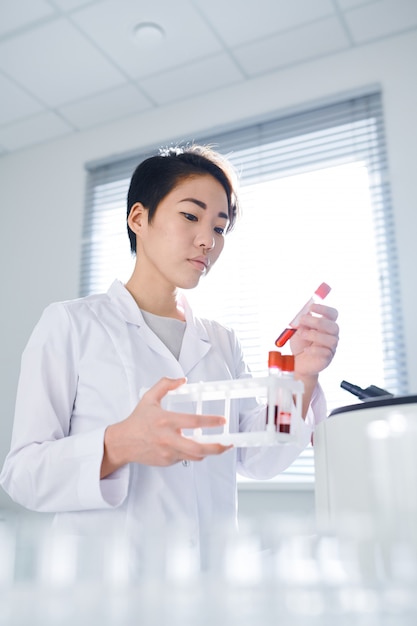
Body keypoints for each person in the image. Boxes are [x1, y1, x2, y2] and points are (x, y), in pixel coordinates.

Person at [0, 144, 339, 556]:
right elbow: (23, 476)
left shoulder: (221, 341)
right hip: (107, 588)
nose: (207, 241)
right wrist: (120, 443)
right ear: (139, 218)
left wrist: (302, 376)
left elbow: (257, 458)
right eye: (191, 216)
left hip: (208, 584)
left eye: (219, 227)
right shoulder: (71, 324)